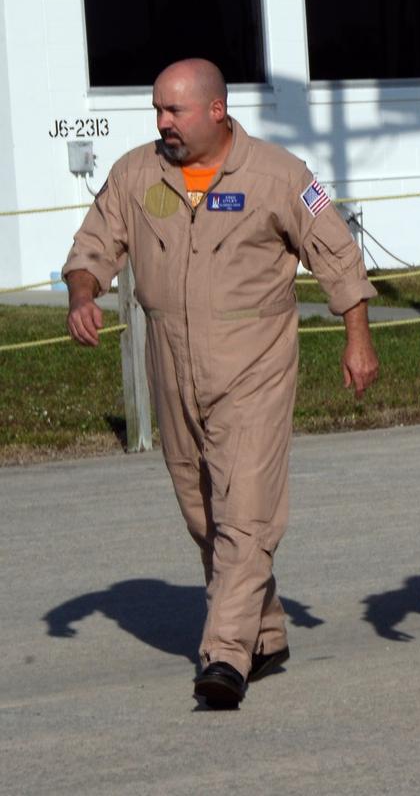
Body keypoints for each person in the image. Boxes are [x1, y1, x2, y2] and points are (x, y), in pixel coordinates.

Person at [63, 58, 378, 709]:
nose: (163, 123)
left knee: (246, 509)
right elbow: (95, 243)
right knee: (204, 510)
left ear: (216, 110)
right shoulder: (137, 174)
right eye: (157, 109)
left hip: (253, 364)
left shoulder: (278, 175)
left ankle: (225, 653)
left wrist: (358, 335)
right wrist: (82, 292)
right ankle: (263, 632)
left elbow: (335, 251)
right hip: (171, 365)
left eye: (174, 111)